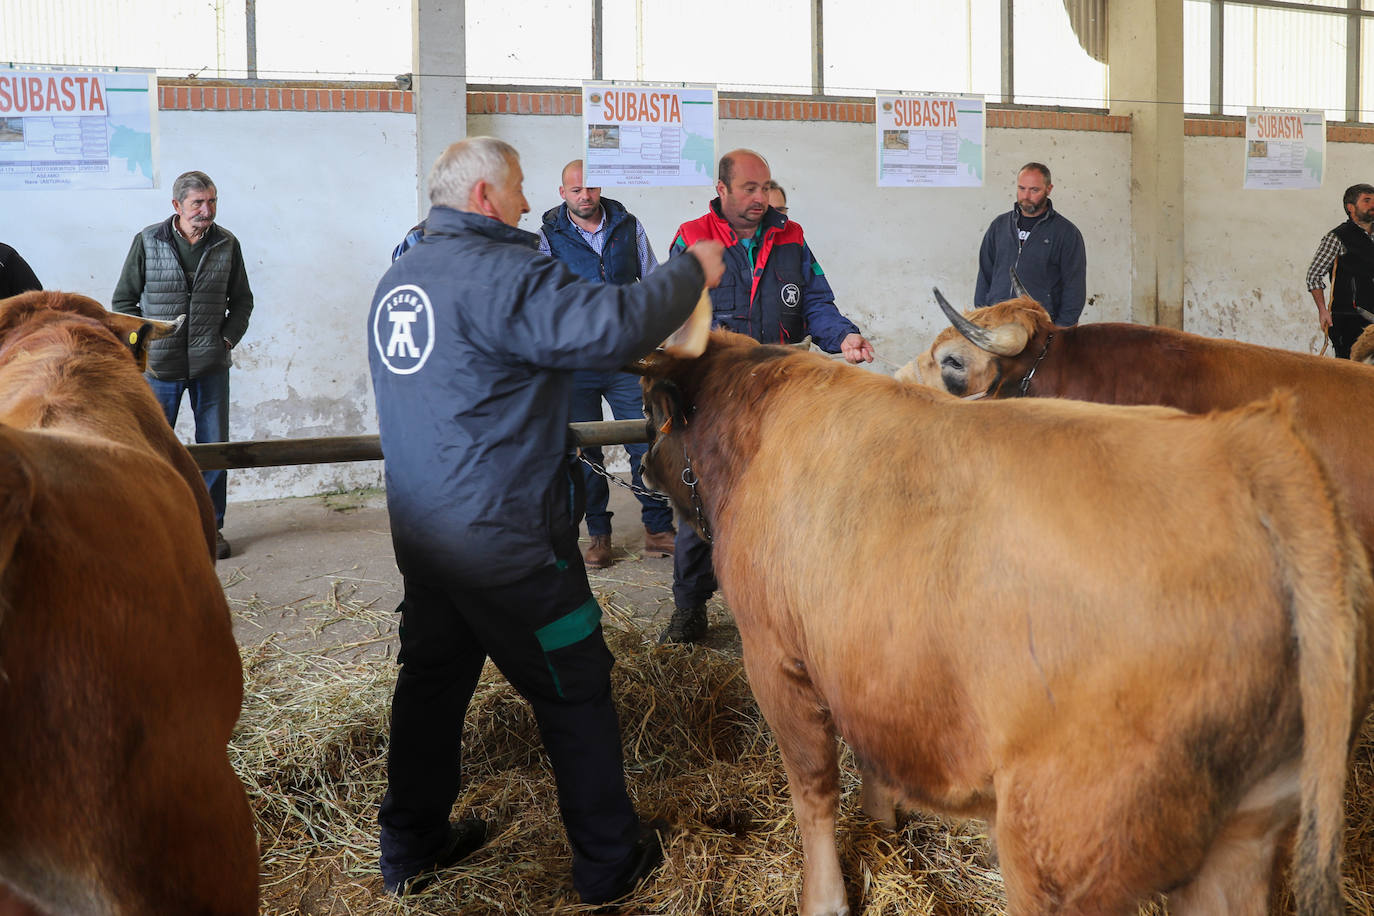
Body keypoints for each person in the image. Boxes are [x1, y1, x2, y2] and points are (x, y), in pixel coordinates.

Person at [366, 136, 724, 904]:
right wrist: (691, 269)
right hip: (509, 543)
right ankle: (608, 862)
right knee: (577, 687)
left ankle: (411, 847)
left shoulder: (401, 279)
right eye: (521, 188)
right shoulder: (503, 270)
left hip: (426, 538)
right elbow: (612, 326)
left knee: (429, 687)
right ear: (485, 197)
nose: (530, 203)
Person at [659, 148, 874, 645]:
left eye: (765, 188)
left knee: (784, 500)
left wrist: (842, 336)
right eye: (749, 189)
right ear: (723, 190)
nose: (760, 198)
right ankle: (690, 607)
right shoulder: (692, 238)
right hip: (713, 396)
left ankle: (778, 605)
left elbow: (817, 302)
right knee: (701, 501)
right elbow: (673, 312)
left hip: (779, 395)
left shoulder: (791, 237)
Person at [537, 159, 677, 569]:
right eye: (576, 189)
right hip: (576, 361)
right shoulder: (547, 237)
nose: (585, 196)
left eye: (591, 188)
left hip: (627, 359)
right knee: (586, 450)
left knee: (646, 440)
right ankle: (598, 535)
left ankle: (657, 528)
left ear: (602, 189)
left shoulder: (628, 227)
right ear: (563, 193)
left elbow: (651, 281)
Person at [112, 170, 253, 560]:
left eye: (212, 202)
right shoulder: (147, 241)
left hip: (210, 365)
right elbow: (124, 302)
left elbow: (242, 301)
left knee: (215, 449)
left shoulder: (227, 243)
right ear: (177, 206)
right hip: (161, 370)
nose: (206, 210)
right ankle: (152, 526)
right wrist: (144, 350)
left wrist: (225, 339)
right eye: (198, 203)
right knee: (153, 450)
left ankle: (212, 528)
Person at [974, 161, 1087, 326]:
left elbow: (1074, 287)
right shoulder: (999, 226)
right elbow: (985, 275)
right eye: (1021, 188)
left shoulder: (1066, 233)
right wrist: (981, 315)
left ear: (1049, 189)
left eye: (1034, 190)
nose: (1026, 196)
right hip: (996, 321)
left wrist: (1063, 330)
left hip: (1039, 326)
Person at [1306, 182, 1374, 359]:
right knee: (1351, 370)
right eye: (1367, 200)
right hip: (1349, 319)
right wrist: (1323, 311)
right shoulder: (1337, 237)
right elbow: (1314, 276)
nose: (1373, 204)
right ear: (1350, 207)